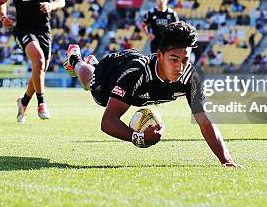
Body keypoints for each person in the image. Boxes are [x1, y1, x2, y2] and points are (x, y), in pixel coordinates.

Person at [63, 21, 239, 167]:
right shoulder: (136, 74)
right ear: (160, 56)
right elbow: (108, 121)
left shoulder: (191, 78)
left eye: (185, 60)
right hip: (113, 71)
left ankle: (91, 63)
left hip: (134, 80)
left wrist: (226, 160)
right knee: (91, 85)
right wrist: (138, 137)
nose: (180, 67)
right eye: (173, 60)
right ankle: (76, 60)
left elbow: (205, 122)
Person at [0, 0, 65, 123]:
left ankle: (23, 102)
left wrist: (51, 6)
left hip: (44, 28)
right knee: (39, 61)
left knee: (39, 69)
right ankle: (41, 104)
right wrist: (3, 17)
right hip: (23, 29)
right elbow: (0, 2)